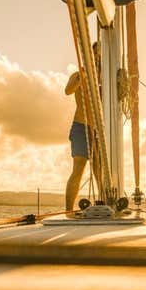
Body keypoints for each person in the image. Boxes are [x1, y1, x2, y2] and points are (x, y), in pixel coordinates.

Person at [64, 43, 101, 211]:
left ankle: (105, 205)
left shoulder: (106, 78)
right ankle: (69, 210)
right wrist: (82, 77)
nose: (96, 58)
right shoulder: (78, 75)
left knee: (100, 171)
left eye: (100, 55)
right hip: (81, 126)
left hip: (100, 130)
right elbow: (68, 90)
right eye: (93, 54)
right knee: (78, 168)